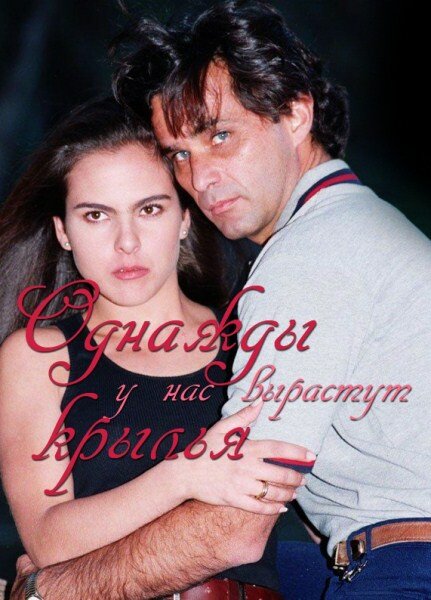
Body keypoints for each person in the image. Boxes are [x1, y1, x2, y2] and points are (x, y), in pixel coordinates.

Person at [0, 96, 312, 599]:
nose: (127, 242)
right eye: (96, 215)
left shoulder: (254, 338)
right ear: (63, 231)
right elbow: (48, 538)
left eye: (149, 209)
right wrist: (185, 475)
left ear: (184, 217)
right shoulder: (39, 355)